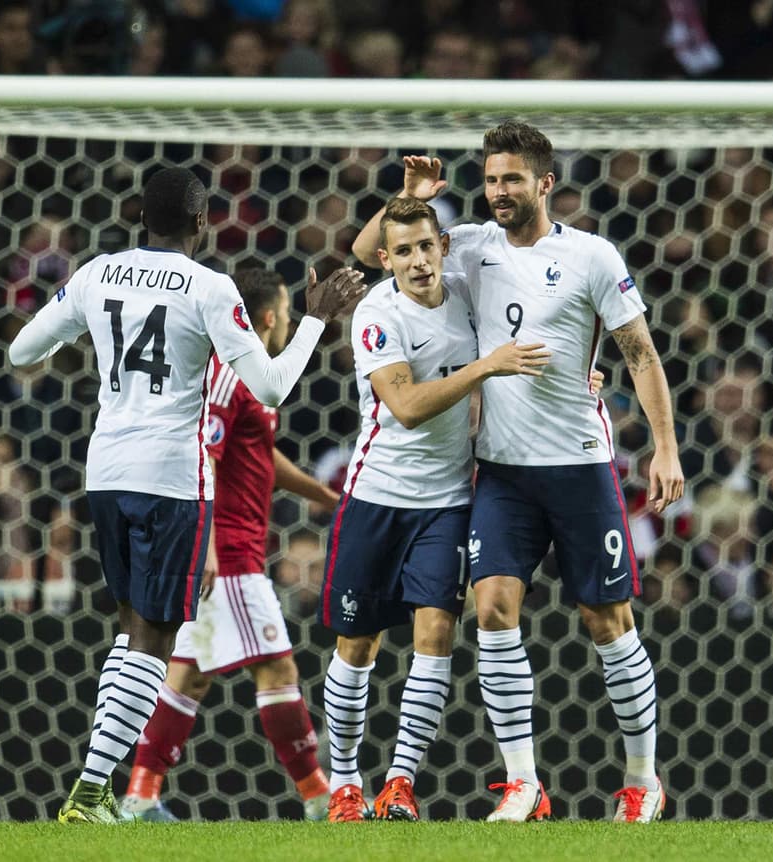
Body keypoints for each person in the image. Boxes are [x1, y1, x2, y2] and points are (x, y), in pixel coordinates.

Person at [7, 166, 364, 824]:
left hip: (106, 469)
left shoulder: (95, 274)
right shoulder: (209, 287)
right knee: (156, 638)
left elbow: (21, 351)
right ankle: (92, 792)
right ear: (204, 222)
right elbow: (272, 386)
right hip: (172, 477)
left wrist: (90, 332)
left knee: (130, 631)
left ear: (141, 216)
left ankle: (110, 789)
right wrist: (314, 321)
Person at [351, 123, 686, 823]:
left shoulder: (592, 256)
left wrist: (665, 448)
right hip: (502, 469)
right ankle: (524, 784)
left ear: (544, 182)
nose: (497, 191)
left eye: (511, 179)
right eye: (490, 178)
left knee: (607, 620)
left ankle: (643, 779)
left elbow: (641, 355)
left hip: (580, 466)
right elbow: (365, 255)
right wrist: (410, 196)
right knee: (494, 609)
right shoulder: (466, 245)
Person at [320, 196, 552, 822]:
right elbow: (408, 406)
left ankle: (398, 783)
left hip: (447, 500)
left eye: (427, 246)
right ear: (385, 259)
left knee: (437, 635)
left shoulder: (465, 293)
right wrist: (486, 367)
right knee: (357, 645)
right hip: (377, 496)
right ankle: (344, 784)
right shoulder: (376, 314)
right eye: (403, 251)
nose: (419, 261)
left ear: (442, 245)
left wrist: (581, 375)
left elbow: (532, 328)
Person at [121, 267, 341, 823]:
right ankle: (319, 798)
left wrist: (317, 490)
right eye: (289, 312)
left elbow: (257, 455)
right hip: (229, 555)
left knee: (187, 676)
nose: (289, 320)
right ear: (268, 317)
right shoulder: (228, 374)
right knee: (277, 670)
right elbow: (205, 458)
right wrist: (212, 549)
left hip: (217, 550)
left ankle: (141, 794)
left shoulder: (253, 377)